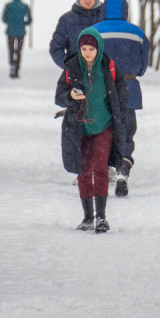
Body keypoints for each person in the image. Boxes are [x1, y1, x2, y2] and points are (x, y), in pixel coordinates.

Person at [54, 28, 129, 232]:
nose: (87, 53)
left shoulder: (108, 66)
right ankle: (87, 217)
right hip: (80, 128)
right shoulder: (71, 68)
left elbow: (122, 93)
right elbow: (58, 96)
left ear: (99, 48)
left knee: (100, 168)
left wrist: (120, 116)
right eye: (84, 48)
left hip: (104, 125)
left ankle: (101, 217)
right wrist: (70, 96)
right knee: (84, 170)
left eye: (91, 49)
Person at [93, 0, 149, 197]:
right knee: (126, 131)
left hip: (101, 89)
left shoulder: (94, 31)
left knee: (103, 130)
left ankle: (104, 168)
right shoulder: (137, 33)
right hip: (129, 87)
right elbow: (143, 65)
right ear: (125, 10)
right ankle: (123, 169)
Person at [49, 0, 104, 68]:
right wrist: (71, 67)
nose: (87, 0)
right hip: (77, 75)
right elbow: (56, 48)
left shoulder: (106, 17)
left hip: (104, 74)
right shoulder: (66, 20)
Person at [0, 0, 32, 78]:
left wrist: (10, 22)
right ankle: (17, 67)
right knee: (18, 50)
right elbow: (29, 20)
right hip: (21, 31)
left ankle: (11, 65)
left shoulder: (8, 6)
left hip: (10, 31)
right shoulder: (25, 6)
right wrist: (23, 23)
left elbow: (4, 18)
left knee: (11, 49)